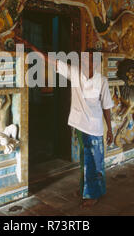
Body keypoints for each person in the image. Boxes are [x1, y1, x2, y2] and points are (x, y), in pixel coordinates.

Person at [15, 36, 113, 208]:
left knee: (94, 161)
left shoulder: (102, 81)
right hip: (80, 126)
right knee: (85, 160)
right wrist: (32, 46)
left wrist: (110, 130)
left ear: (95, 63)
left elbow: (106, 107)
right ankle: (86, 188)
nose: (83, 63)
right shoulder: (75, 73)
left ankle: (93, 195)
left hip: (95, 128)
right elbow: (52, 61)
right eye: (82, 60)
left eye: (88, 61)